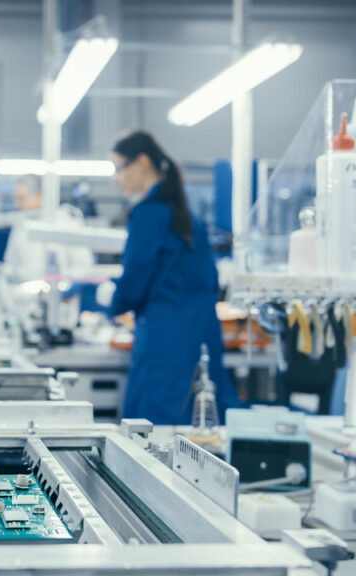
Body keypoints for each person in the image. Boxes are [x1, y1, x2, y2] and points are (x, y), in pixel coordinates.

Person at [101, 131, 241, 425]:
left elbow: (134, 281)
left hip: (164, 342)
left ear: (141, 163)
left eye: (119, 168)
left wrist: (110, 305)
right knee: (202, 429)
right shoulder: (189, 218)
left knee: (153, 432)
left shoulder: (147, 215)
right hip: (202, 334)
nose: (117, 178)